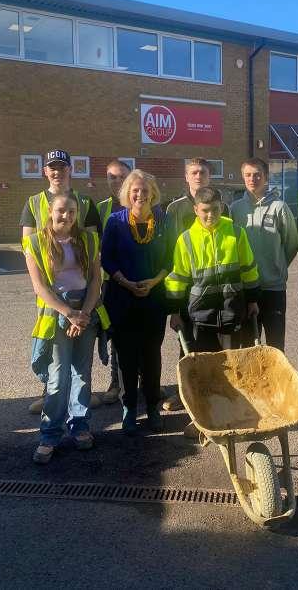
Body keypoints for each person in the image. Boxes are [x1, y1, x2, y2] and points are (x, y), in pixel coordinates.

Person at [23, 193, 110, 464]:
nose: (66, 216)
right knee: (58, 377)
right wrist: (69, 314)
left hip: (86, 310)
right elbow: (40, 287)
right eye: (61, 210)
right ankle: (49, 435)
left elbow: (95, 280)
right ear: (50, 212)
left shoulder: (89, 239)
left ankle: (80, 427)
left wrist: (83, 314)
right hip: (57, 312)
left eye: (72, 211)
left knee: (82, 373)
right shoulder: (35, 242)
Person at [20, 148, 102, 414]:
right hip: (51, 291)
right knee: (54, 355)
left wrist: (85, 306)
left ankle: (78, 405)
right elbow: (27, 245)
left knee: (80, 363)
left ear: (70, 170)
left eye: (62, 167)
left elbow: (91, 245)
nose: (57, 172)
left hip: (82, 290)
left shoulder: (85, 201)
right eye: (52, 167)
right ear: (45, 171)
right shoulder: (33, 202)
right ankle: (50, 397)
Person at [101, 170, 171, 435]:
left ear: (153, 193)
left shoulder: (163, 220)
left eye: (145, 190)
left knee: (152, 355)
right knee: (126, 357)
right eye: (135, 191)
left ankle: (152, 407)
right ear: (127, 194)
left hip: (154, 299)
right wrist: (127, 283)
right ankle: (129, 407)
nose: (140, 195)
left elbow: (171, 258)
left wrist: (153, 282)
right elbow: (107, 259)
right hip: (122, 299)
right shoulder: (115, 221)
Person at [163, 158, 228, 410]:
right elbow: (172, 251)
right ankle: (185, 395)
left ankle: (215, 394)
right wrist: (175, 300)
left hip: (216, 289)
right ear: (186, 176)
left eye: (203, 172)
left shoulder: (222, 206)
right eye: (194, 172)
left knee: (215, 345)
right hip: (187, 289)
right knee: (187, 344)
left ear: (209, 175)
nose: (198, 175)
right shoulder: (175, 208)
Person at [166, 186, 260, 353]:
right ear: (196, 210)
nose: (211, 215)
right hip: (200, 317)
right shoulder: (186, 239)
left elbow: (249, 270)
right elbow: (177, 278)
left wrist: (252, 300)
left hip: (232, 313)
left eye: (215, 209)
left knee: (231, 363)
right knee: (205, 365)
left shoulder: (237, 233)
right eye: (205, 210)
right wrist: (174, 311)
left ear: (222, 207)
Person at [230, 157, 297, 351]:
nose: (253, 179)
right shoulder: (235, 209)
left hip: (273, 287)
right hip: (246, 288)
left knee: (276, 344)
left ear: (266, 177)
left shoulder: (279, 207)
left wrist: (278, 265)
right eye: (248, 175)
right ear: (243, 177)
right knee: (248, 345)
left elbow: (291, 243)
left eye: (257, 175)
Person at [97, 159, 131, 405]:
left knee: (144, 335)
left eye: (122, 176)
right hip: (112, 282)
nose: (117, 181)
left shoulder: (143, 202)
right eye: (112, 177)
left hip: (140, 281)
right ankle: (116, 383)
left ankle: (147, 381)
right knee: (116, 335)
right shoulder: (100, 209)